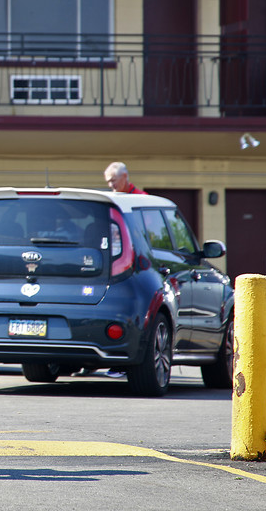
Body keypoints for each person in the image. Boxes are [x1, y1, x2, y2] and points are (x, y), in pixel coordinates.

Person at [103, 162, 147, 379]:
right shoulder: (113, 201)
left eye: (114, 181)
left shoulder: (140, 200)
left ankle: (121, 363)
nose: (111, 185)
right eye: (108, 182)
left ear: (125, 177)